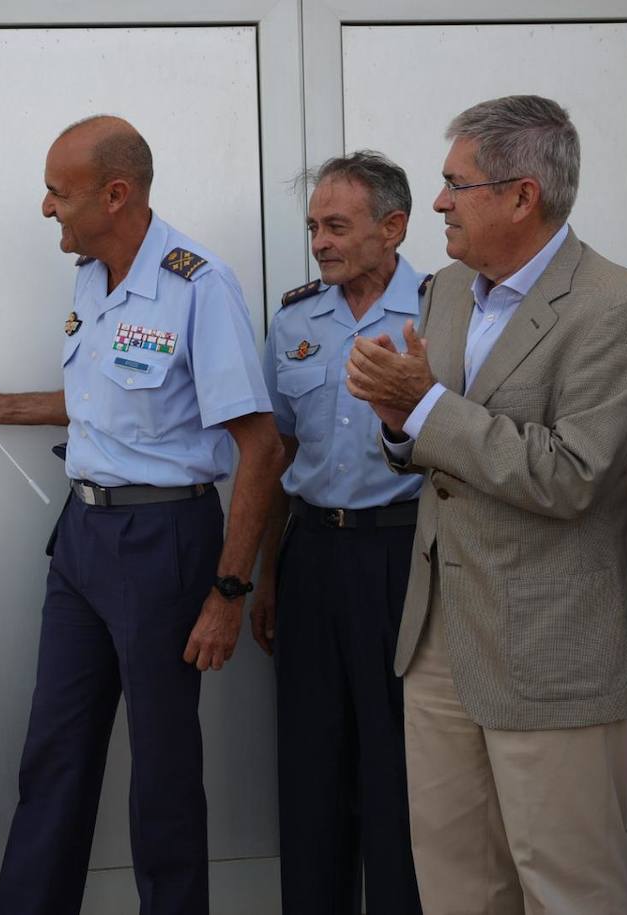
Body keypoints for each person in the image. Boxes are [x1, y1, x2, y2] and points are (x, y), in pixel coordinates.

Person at [0, 114, 283, 915]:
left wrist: (228, 592)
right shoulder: (91, 274)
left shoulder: (200, 286)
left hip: (164, 543)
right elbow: (105, 403)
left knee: (162, 772)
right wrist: (4, 404)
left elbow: (259, 446)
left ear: (115, 194)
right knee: (54, 752)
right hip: (84, 540)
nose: (47, 207)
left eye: (60, 191)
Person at [345, 94, 627, 913]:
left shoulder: (615, 307)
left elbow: (574, 474)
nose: (439, 202)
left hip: (549, 649)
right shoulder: (447, 289)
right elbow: (438, 448)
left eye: (456, 183)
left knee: (567, 887)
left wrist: (424, 411)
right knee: (456, 883)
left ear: (523, 196)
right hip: (439, 635)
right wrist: (396, 427)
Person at [251, 150, 423, 914]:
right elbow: (274, 453)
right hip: (313, 553)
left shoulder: (447, 310)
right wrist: (267, 573)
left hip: (407, 554)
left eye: (336, 225)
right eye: (313, 226)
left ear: (393, 227)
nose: (319, 241)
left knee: (402, 763)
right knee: (311, 759)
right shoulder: (294, 319)